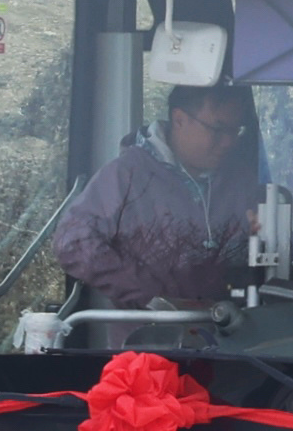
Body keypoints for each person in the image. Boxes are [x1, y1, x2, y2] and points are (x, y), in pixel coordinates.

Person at [50, 83, 264, 309]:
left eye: (235, 131)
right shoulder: (127, 176)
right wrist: (150, 296)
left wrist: (257, 239)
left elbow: (275, 256)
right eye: (219, 130)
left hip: (230, 330)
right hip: (150, 335)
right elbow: (73, 242)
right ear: (179, 119)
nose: (229, 142)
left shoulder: (242, 181)